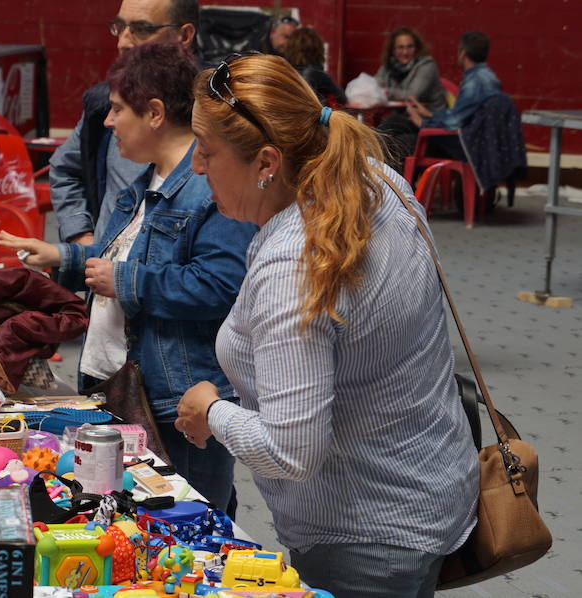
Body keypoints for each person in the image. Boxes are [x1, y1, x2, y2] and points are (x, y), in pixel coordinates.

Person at [174, 53, 478, 597]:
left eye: (207, 149)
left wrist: (210, 410)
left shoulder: (295, 264)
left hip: (364, 535)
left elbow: (292, 452)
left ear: (267, 161)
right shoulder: (372, 177)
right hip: (427, 493)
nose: (196, 165)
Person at [0, 42, 257, 512]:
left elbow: (222, 285)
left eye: (117, 110)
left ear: (154, 113)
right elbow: (132, 256)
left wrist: (127, 281)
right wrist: (65, 256)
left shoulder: (207, 186)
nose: (108, 122)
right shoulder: (148, 182)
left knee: (190, 526)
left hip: (175, 403)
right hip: (123, 385)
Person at [48, 0, 199, 246]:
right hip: (102, 273)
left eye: (141, 28)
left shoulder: (216, 109)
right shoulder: (102, 103)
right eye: (120, 27)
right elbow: (65, 169)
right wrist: (81, 238)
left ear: (184, 35)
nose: (123, 42)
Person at [406, 31, 502, 160]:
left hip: (468, 145)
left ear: (462, 53)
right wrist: (431, 115)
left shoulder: (474, 82)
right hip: (480, 141)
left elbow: (455, 122)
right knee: (405, 132)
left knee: (405, 141)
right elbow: (463, 114)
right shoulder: (489, 77)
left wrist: (423, 122)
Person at [375, 26, 446, 112]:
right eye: (400, 47)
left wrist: (385, 92)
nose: (405, 52)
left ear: (417, 48)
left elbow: (413, 95)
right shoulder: (387, 67)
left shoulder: (427, 65)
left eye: (410, 47)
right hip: (401, 114)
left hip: (429, 117)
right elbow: (374, 88)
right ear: (393, 50)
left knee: (391, 123)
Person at [283, 26, 346, 107]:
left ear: (290, 48)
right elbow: (342, 98)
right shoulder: (317, 74)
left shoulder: (284, 70)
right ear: (318, 49)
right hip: (311, 117)